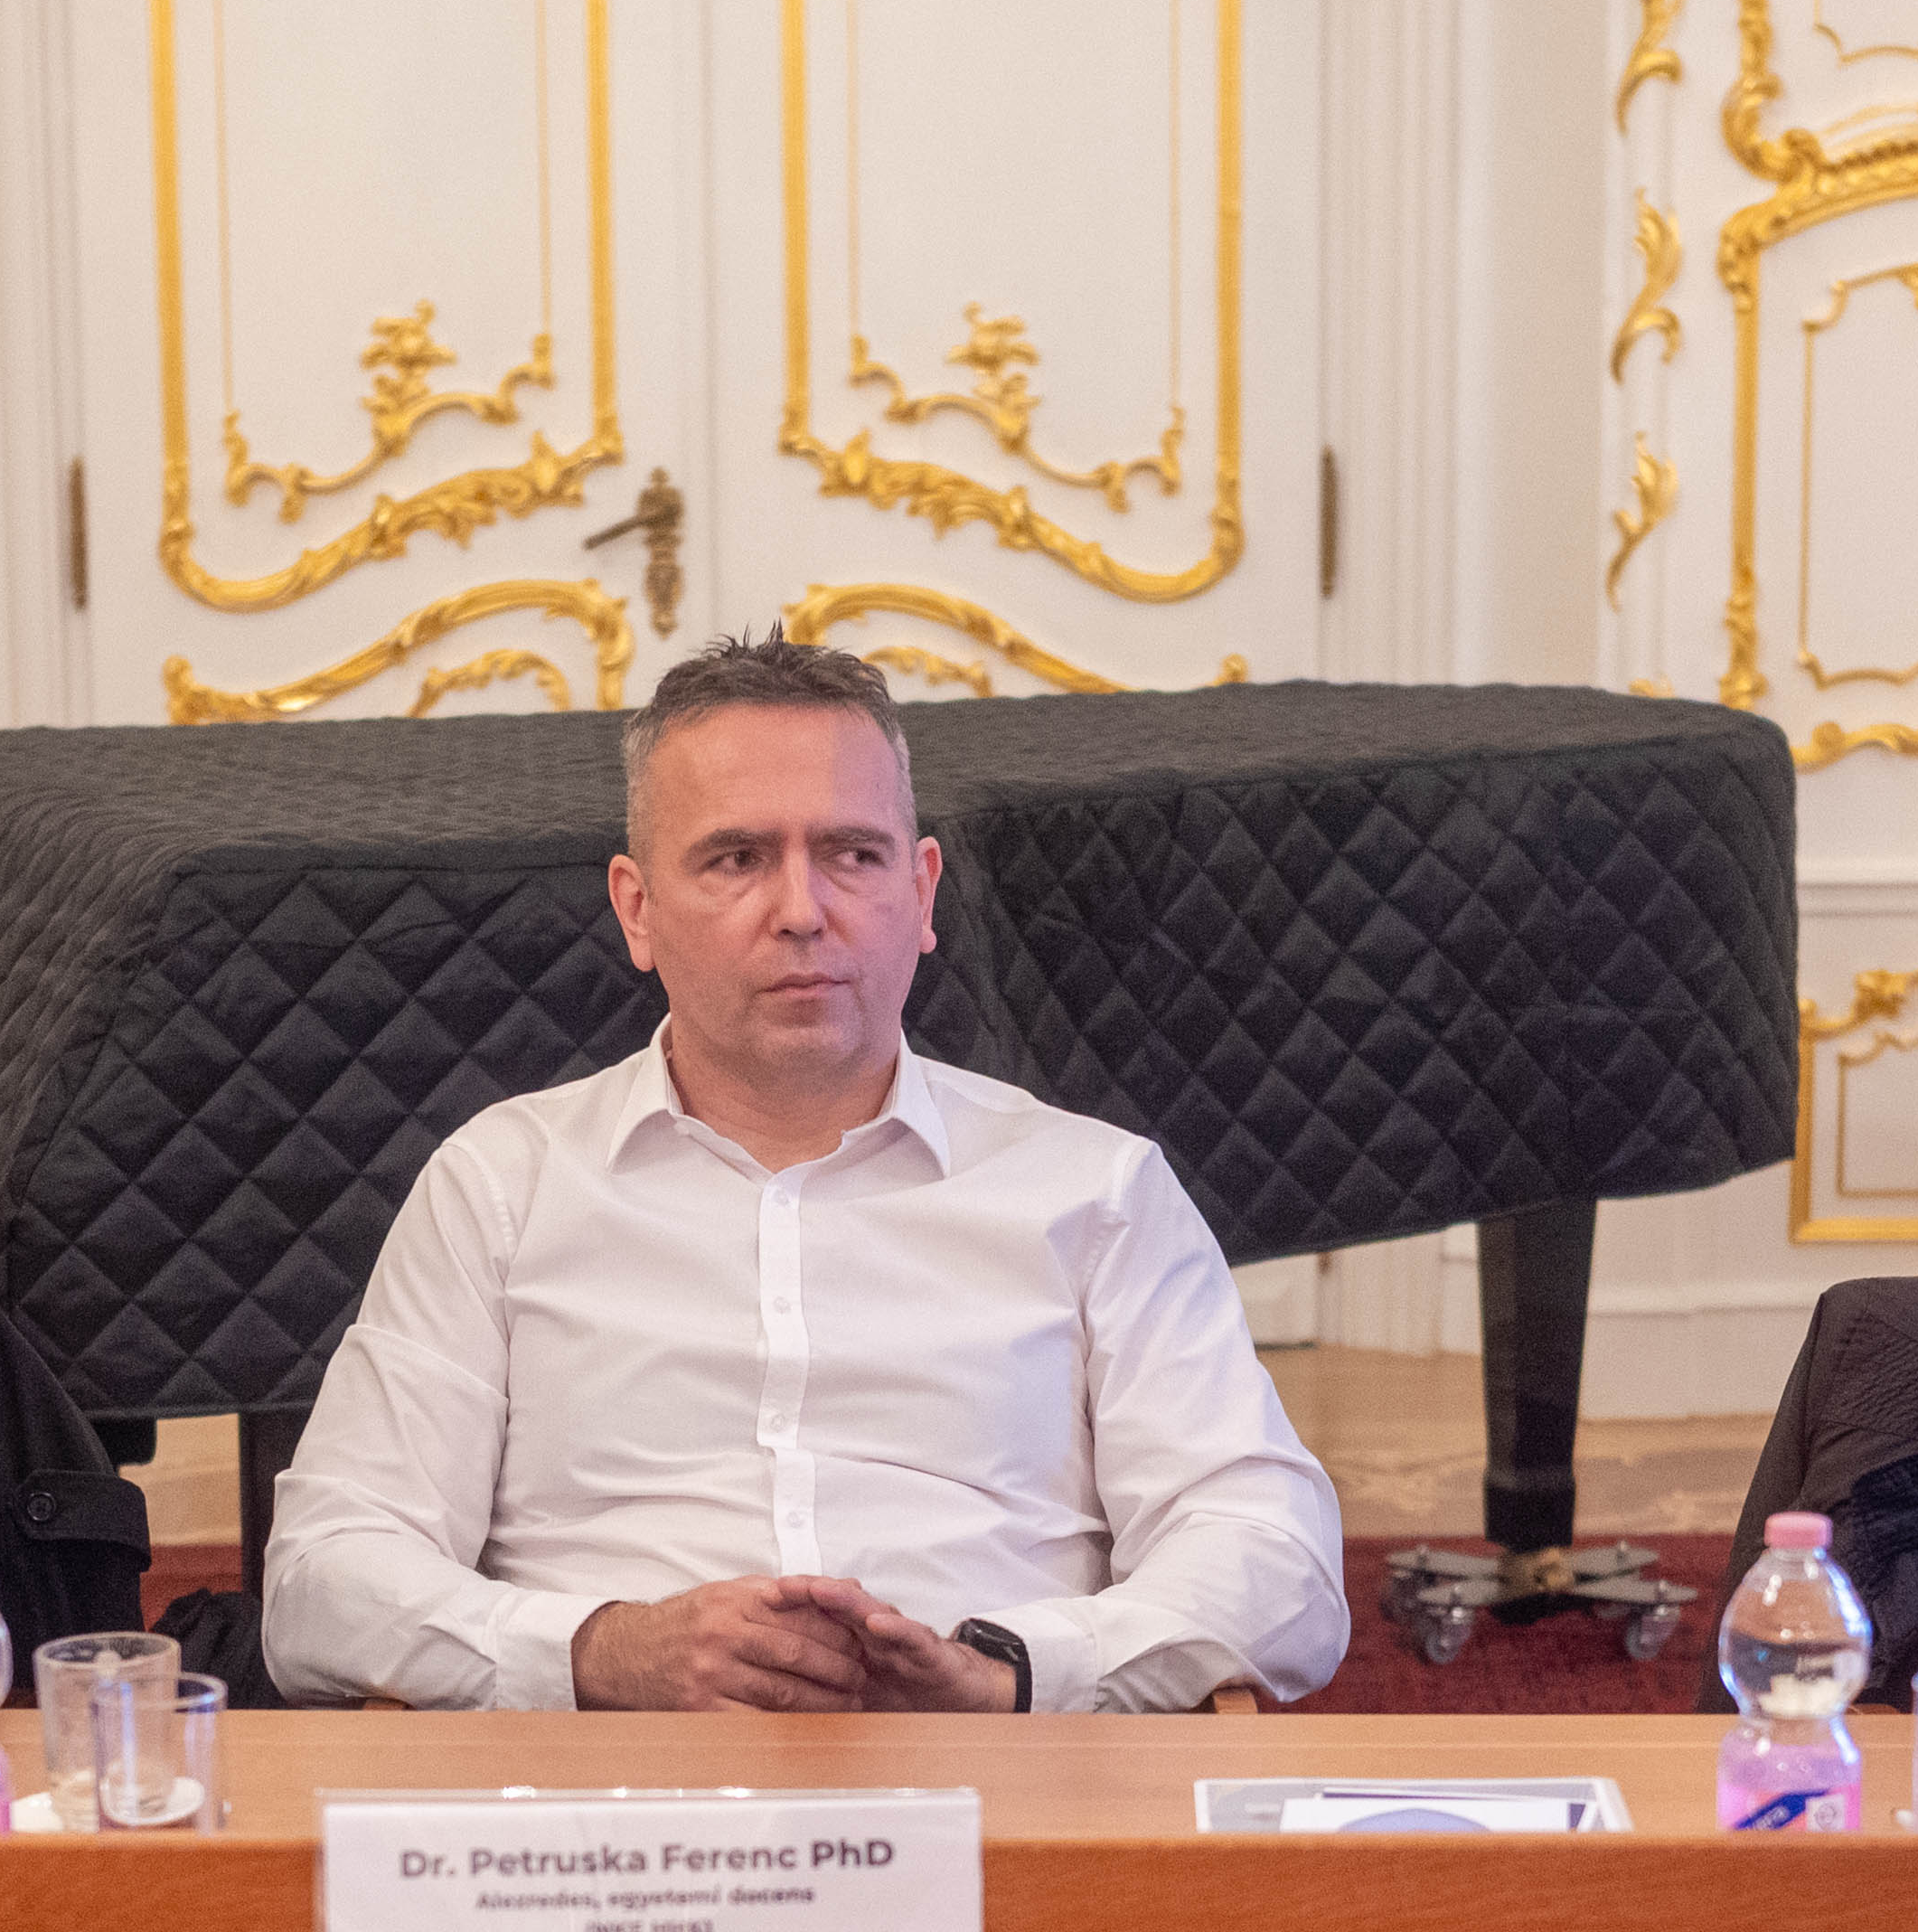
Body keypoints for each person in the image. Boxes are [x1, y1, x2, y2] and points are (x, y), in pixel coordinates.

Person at [261, 636, 1347, 1712]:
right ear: (637, 909)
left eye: (852, 855)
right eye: (736, 858)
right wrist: (609, 1652)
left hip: (997, 1778)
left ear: (922, 891)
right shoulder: (502, 1186)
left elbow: (1277, 1562)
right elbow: (323, 1576)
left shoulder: (1095, 1191)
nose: (799, 909)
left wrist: (1011, 1672)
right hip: (601, 1793)